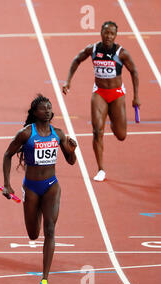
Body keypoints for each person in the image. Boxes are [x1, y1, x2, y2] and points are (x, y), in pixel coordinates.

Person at [2, 94, 77, 284]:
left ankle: (44, 279)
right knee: (33, 234)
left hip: (51, 186)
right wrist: (7, 184)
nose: (48, 111)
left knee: (50, 230)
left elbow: (71, 161)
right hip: (32, 188)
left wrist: (72, 151)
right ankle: (38, 211)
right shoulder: (26, 133)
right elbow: (7, 154)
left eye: (50, 108)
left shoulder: (58, 134)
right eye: (43, 108)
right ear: (35, 112)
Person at [62, 21, 140, 181]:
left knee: (121, 135)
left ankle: (113, 119)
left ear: (115, 35)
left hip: (117, 94)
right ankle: (101, 169)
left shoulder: (121, 52)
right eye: (106, 33)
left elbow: (134, 71)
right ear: (101, 33)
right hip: (99, 93)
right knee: (97, 132)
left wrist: (136, 97)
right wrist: (68, 80)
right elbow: (77, 59)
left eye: (112, 33)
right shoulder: (93, 49)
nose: (109, 36)